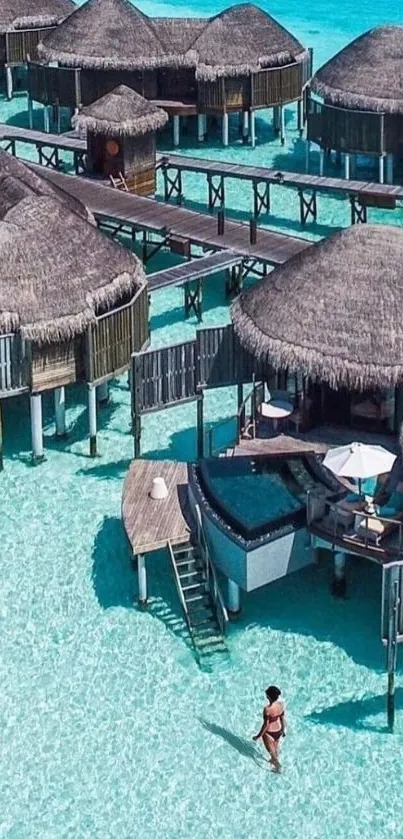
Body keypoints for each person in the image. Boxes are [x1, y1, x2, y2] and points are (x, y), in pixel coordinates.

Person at [253, 686, 285, 772]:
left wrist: (258, 736)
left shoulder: (267, 709)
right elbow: (282, 719)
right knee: (275, 751)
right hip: (278, 730)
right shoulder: (280, 705)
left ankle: (278, 767)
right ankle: (274, 762)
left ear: (268, 697)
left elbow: (265, 724)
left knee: (272, 753)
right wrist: (283, 730)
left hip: (269, 733)